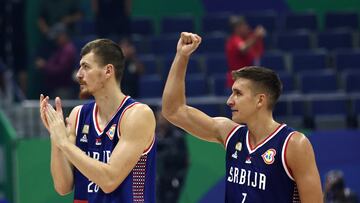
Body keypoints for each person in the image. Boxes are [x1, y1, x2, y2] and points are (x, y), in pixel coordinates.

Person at [162, 32, 323, 202]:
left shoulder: (293, 144)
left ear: (260, 100)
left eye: (238, 94)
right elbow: (173, 111)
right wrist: (182, 56)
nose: (229, 101)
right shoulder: (230, 134)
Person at [39, 39, 156, 202]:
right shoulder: (78, 115)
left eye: (86, 67)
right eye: (80, 67)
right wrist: (56, 136)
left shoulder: (137, 115)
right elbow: (63, 186)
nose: (79, 74)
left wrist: (64, 143)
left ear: (108, 71)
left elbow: (109, 181)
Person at [155, 109, 189, 203]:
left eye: (164, 117)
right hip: (157, 179)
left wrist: (178, 179)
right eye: (160, 116)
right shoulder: (152, 135)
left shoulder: (177, 137)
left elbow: (185, 160)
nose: (162, 119)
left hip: (172, 178)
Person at [36, 24, 77, 99]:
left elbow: (61, 70)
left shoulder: (68, 50)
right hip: (56, 89)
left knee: (63, 110)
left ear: (64, 35)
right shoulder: (60, 48)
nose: (56, 40)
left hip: (63, 90)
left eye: (57, 38)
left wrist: (44, 66)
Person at [225, 16, 265, 87]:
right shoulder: (234, 40)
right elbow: (243, 48)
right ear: (236, 29)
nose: (246, 27)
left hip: (246, 81)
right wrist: (256, 36)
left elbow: (258, 54)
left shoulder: (247, 41)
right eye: (243, 26)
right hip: (236, 82)